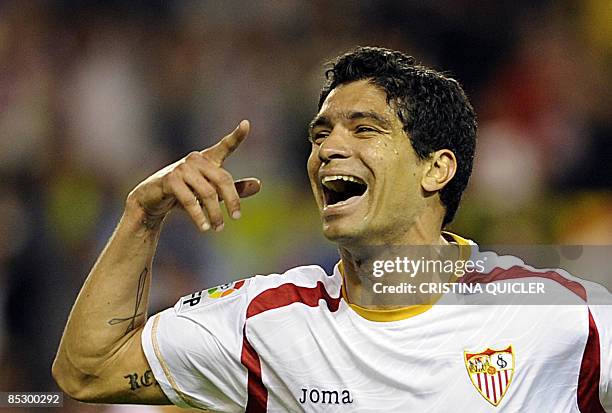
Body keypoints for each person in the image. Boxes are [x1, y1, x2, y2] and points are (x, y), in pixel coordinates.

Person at [52, 47, 611, 412]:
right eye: (320, 135)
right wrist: (141, 216)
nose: (328, 149)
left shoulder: (558, 317)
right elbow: (88, 369)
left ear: (436, 169)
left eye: (364, 129)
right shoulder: (268, 323)